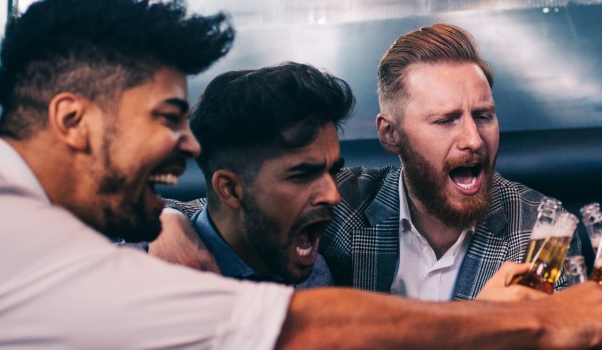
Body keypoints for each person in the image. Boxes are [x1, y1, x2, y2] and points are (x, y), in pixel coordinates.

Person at [0, 0, 602, 348]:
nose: (188, 148)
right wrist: (524, 321)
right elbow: (292, 331)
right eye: (167, 118)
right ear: (73, 121)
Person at [160, 23, 575, 301]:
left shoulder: (544, 231)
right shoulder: (341, 206)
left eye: (483, 116)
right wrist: (166, 223)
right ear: (389, 134)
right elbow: (227, 213)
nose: (472, 139)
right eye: (445, 120)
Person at [163, 62, 352, 288]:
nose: (333, 196)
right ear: (231, 189)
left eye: (333, 171)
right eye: (302, 175)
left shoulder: (317, 275)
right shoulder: (141, 280)